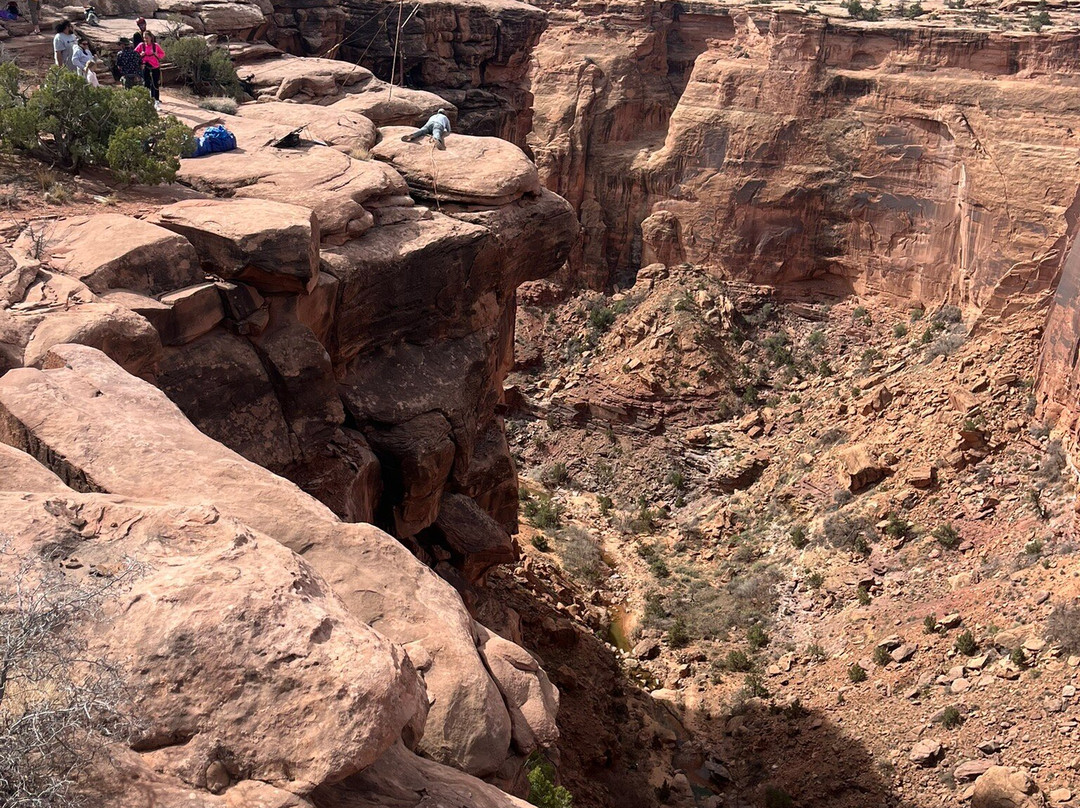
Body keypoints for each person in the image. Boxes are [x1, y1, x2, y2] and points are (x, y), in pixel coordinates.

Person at [135, 29, 164, 106]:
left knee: (155, 84)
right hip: (145, 67)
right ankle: (147, 100)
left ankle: (156, 101)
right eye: (144, 38)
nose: (145, 39)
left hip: (155, 67)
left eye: (147, 38)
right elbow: (135, 54)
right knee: (146, 83)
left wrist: (157, 55)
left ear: (151, 38)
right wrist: (140, 55)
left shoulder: (155, 46)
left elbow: (162, 54)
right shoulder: (141, 45)